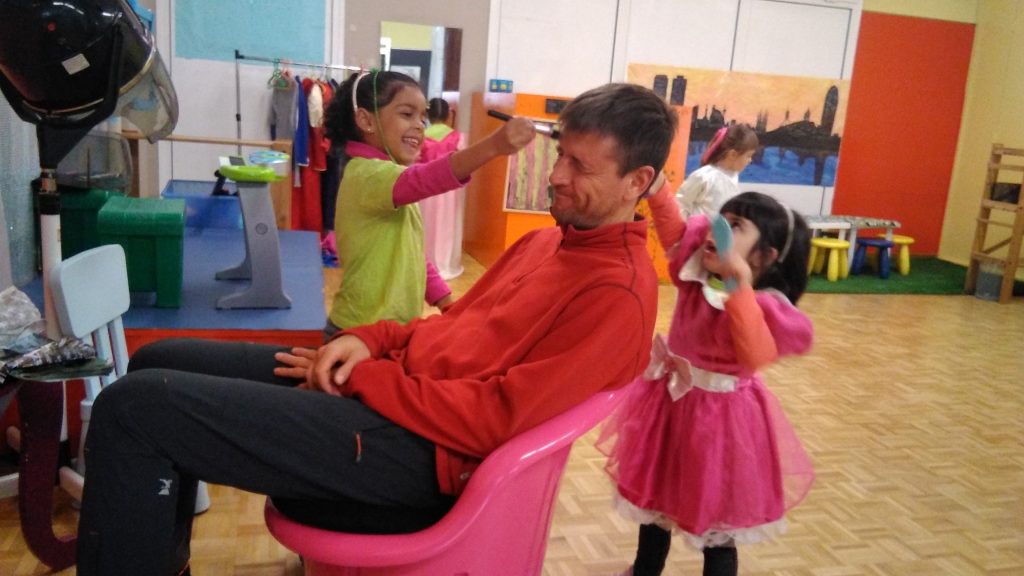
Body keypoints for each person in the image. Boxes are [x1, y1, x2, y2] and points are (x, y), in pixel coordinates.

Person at [75, 82, 677, 575]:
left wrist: (364, 381)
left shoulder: (617, 296)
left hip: (423, 455)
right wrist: (368, 341)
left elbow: (496, 418)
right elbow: (450, 328)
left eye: (580, 166)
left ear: (637, 181)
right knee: (159, 360)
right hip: (395, 399)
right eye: (560, 155)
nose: (556, 175)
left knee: (134, 408)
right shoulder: (545, 244)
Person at [600, 188, 815, 576]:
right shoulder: (697, 273)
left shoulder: (762, 304)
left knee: (717, 525)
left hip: (720, 425)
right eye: (721, 220)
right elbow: (675, 232)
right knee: (654, 501)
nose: (717, 230)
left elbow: (755, 353)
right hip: (669, 407)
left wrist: (739, 286)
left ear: (764, 257)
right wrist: (657, 191)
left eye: (736, 226)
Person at [322, 71, 533, 339]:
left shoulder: (389, 179)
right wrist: (495, 144)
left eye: (423, 116)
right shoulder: (366, 174)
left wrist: (445, 301)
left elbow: (413, 255)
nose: (420, 125)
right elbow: (425, 179)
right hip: (359, 332)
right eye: (407, 114)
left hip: (390, 333)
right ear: (366, 120)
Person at [418, 97, 467, 280]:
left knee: (425, 224)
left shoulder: (421, 136)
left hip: (426, 188)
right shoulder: (458, 137)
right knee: (448, 225)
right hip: (450, 189)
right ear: (448, 115)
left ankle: (425, 262)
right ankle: (446, 264)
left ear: (428, 116)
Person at [677, 123, 759, 218]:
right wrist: (687, 225)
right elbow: (681, 202)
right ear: (733, 154)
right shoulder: (704, 176)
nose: (750, 160)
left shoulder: (733, 176)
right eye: (748, 156)